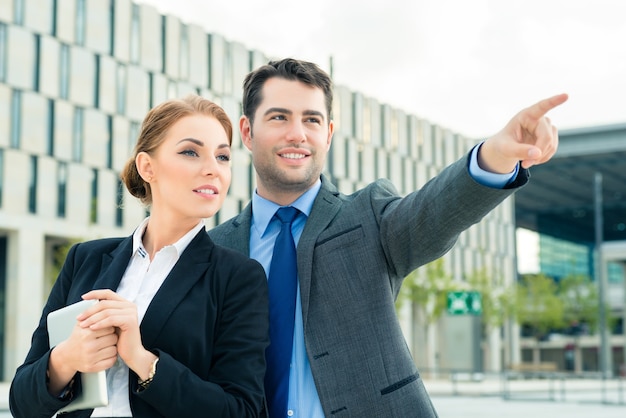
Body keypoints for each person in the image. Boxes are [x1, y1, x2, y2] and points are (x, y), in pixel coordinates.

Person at [208, 58, 568, 417]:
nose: (297, 134)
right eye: (279, 117)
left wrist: (495, 156)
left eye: (311, 120)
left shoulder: (369, 217)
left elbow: (434, 212)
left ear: (329, 134)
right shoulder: (215, 249)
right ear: (247, 131)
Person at [9, 95, 269, 418]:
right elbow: (21, 403)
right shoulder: (85, 259)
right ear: (147, 167)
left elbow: (241, 411)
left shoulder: (238, 278)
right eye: (191, 152)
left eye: (223, 157)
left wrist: (143, 361)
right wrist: (66, 359)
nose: (212, 169)